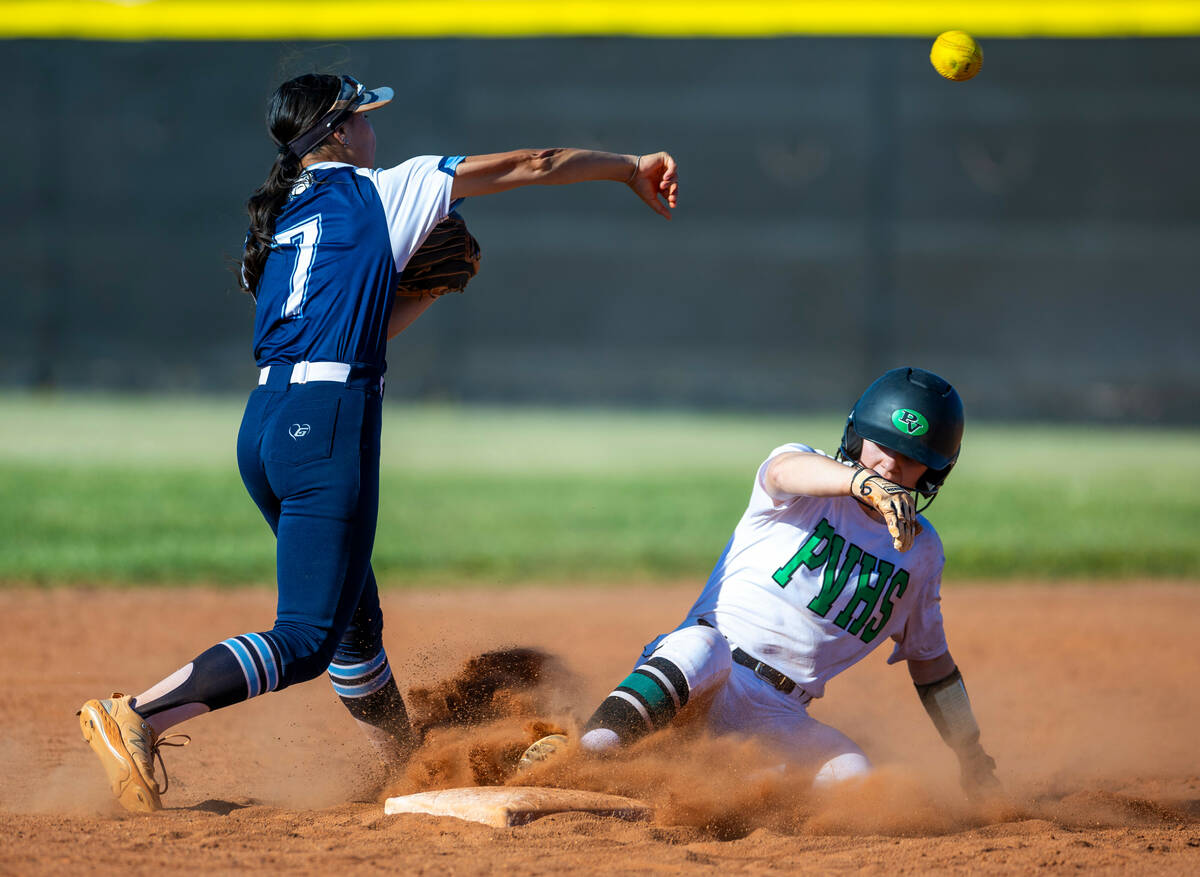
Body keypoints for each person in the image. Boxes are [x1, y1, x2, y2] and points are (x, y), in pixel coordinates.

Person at [77, 72, 680, 813]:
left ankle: (403, 759)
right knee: (304, 636)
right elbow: (537, 162)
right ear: (335, 132)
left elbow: (362, 326)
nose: (373, 129)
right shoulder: (386, 189)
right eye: (362, 117)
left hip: (266, 423)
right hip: (327, 425)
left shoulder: (277, 218)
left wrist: (421, 289)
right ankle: (138, 713)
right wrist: (628, 167)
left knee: (354, 624)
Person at [521, 367, 1000, 798]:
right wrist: (859, 484)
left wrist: (971, 755)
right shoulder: (804, 480)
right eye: (881, 445)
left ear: (934, 474)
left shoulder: (921, 552)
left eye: (910, 458)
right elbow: (783, 470)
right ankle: (585, 756)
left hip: (779, 713)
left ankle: (706, 790)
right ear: (856, 437)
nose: (890, 467)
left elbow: (932, 663)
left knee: (855, 780)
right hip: (708, 673)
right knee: (701, 646)